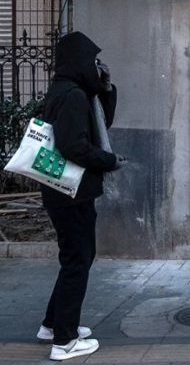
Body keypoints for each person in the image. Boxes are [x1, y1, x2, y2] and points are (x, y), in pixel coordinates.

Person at [39, 32, 124, 361]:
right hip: (70, 192)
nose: (96, 66)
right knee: (78, 260)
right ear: (77, 62)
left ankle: (52, 323)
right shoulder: (72, 96)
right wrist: (109, 161)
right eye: (91, 61)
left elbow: (102, 122)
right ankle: (64, 341)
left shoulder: (71, 91)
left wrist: (106, 88)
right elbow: (73, 145)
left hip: (64, 191)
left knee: (74, 258)